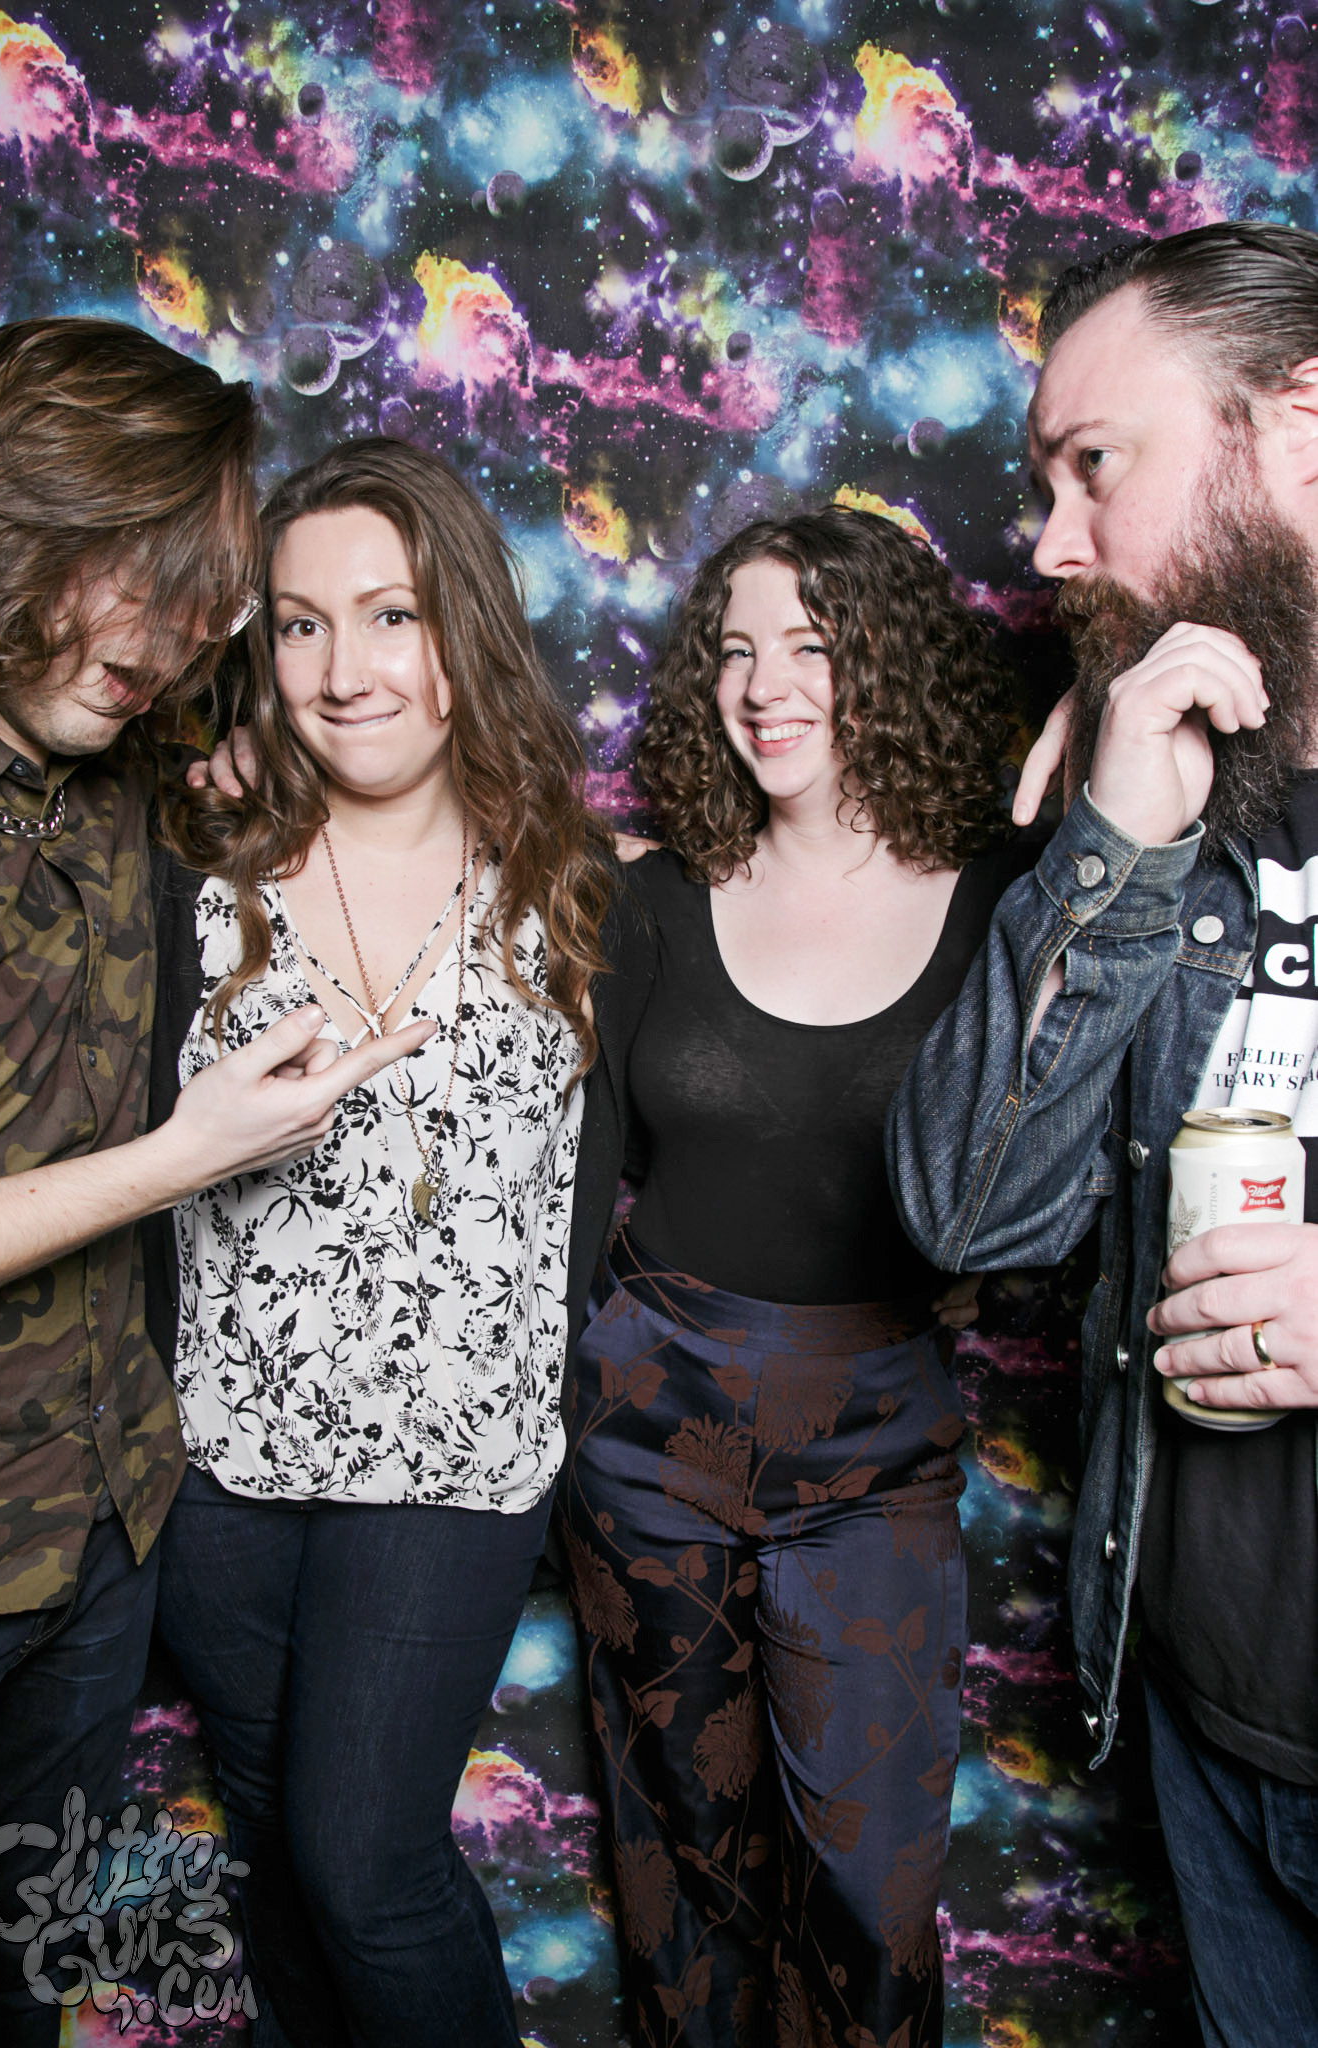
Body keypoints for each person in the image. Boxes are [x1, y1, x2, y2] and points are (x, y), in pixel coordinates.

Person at [0, 321, 432, 2048]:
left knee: (37, 1979)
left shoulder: (126, 750)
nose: (165, 645)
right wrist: (184, 1161)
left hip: (101, 1529)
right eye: (133, 582)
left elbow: (380, 706)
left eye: (198, 601)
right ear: (9, 524)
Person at [146, 436, 642, 2048]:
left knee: (364, 1860)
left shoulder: (586, 896)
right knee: (275, 1843)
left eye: (389, 615)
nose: (342, 670)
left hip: (451, 1458)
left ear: (462, 627)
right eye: (300, 625)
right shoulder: (188, 874)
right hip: (219, 1462)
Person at [888, 222, 1318, 2044]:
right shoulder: (1157, 803)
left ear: (1297, 428)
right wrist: (1112, 853)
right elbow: (969, 1211)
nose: (1051, 546)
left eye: (1094, 466)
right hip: (1215, 1723)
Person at [560, 505, 1027, 2047]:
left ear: (887, 662)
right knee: (683, 1857)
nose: (764, 687)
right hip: (649, 1425)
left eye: (810, 647)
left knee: (868, 1887)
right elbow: (586, 1176)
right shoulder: (650, 898)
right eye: (735, 650)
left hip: (875, 1436)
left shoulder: (1003, 900)